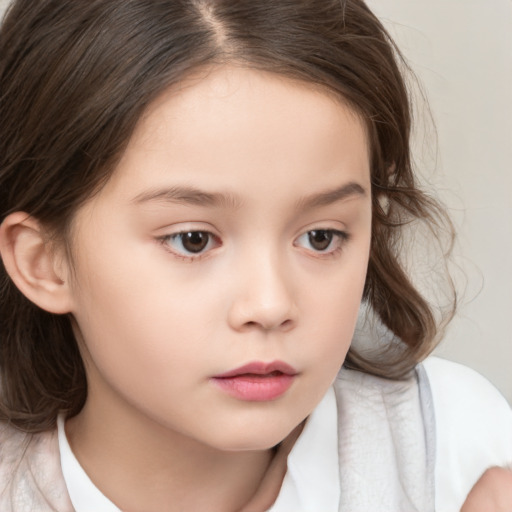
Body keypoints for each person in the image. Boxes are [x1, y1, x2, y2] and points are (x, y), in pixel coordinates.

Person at [0, 0, 510, 510]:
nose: (269, 305)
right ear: (43, 262)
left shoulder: (452, 453)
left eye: (321, 237)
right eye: (193, 240)